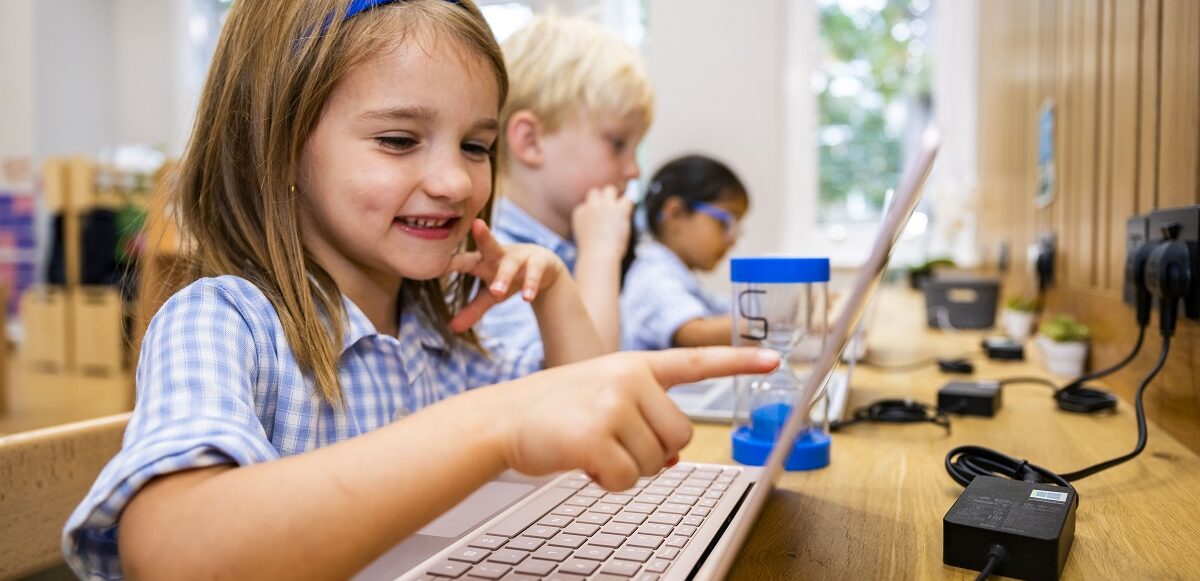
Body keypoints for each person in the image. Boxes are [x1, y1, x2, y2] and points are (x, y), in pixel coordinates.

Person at [60, 2, 776, 579]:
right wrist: (491, 423)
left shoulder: (451, 336)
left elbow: (573, 464)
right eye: (400, 141)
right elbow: (172, 553)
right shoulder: (224, 322)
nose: (457, 182)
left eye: (475, 145)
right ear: (274, 146)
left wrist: (556, 290)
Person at [479, 14, 653, 359]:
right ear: (530, 140)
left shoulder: (574, 243)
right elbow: (591, 388)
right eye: (618, 143)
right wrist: (600, 254)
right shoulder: (493, 255)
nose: (634, 170)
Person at [622, 154, 750, 350]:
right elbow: (695, 333)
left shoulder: (677, 275)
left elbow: (721, 308)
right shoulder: (653, 276)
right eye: (725, 222)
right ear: (676, 214)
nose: (732, 239)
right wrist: (774, 324)